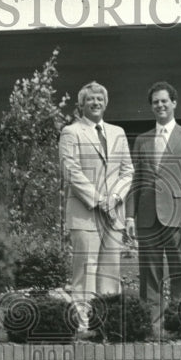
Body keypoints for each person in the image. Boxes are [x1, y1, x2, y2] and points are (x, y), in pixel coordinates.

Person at [59, 81, 134, 329]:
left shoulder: (117, 132)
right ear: (81, 104)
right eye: (90, 99)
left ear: (106, 103)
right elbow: (71, 171)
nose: (96, 103)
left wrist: (114, 199)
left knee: (111, 272)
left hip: (113, 215)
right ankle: (83, 326)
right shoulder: (71, 132)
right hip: (85, 215)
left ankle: (109, 325)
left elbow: (128, 172)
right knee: (86, 272)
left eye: (100, 99)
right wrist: (100, 200)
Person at [125, 80, 181, 309]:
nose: (160, 105)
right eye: (155, 102)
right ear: (151, 106)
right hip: (147, 216)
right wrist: (130, 215)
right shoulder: (142, 140)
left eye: (164, 101)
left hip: (178, 214)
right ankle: (152, 323)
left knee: (179, 269)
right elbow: (136, 180)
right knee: (149, 271)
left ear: (174, 103)